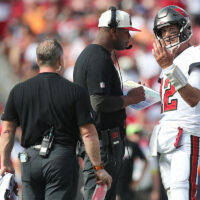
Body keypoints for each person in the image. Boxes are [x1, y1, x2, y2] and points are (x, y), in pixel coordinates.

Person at [0, 39, 112, 200]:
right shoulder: (75, 91)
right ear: (60, 60)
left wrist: (5, 163)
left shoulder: (18, 90)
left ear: (38, 61)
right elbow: (88, 134)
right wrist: (98, 167)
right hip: (62, 158)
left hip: (29, 159)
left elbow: (7, 130)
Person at [73, 7, 145, 200]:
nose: (128, 36)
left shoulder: (98, 55)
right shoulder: (98, 58)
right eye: (126, 31)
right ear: (112, 30)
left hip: (103, 143)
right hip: (102, 145)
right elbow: (99, 102)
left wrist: (127, 94)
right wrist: (131, 99)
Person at [149, 5, 200, 200]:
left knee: (183, 194)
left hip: (185, 134)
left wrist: (168, 67)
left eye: (171, 29)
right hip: (164, 135)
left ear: (184, 28)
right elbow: (172, 103)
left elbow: (193, 97)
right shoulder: (168, 63)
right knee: (172, 195)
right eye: (163, 31)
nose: (167, 35)